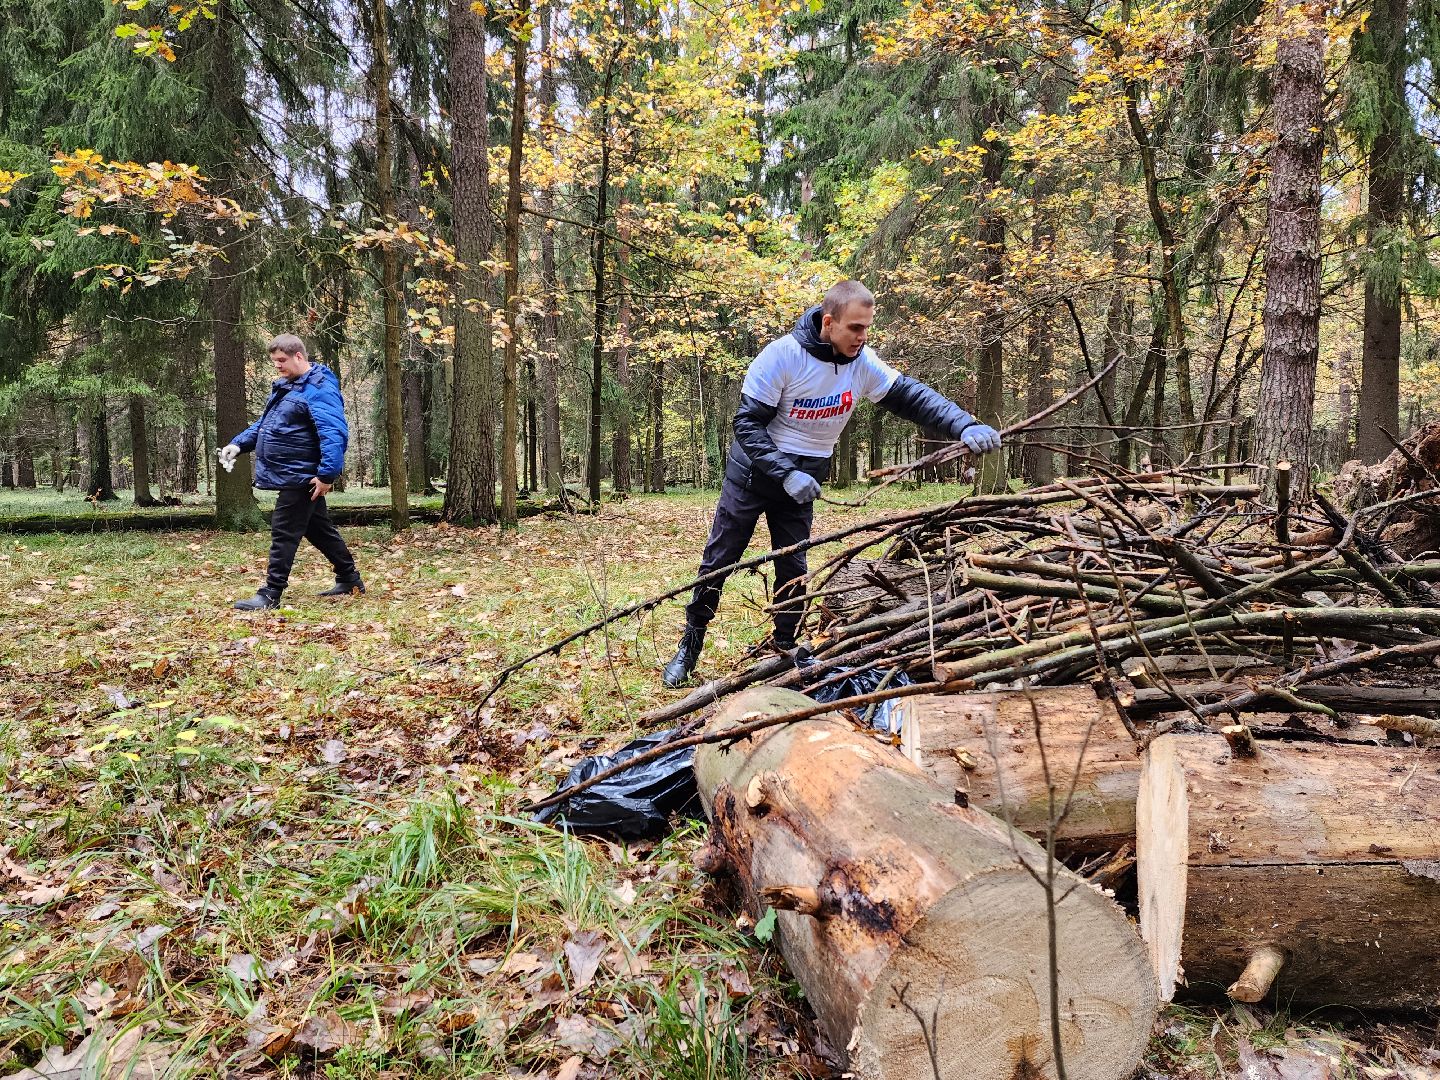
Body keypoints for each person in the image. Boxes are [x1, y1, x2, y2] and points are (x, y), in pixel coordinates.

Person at [662, 281, 1001, 687]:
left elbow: (912, 397)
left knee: (793, 566)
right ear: (829, 323)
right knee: (720, 560)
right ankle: (690, 645)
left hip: (804, 482)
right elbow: (747, 425)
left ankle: (785, 646)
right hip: (753, 475)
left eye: (867, 327)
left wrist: (963, 424)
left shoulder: (862, 363)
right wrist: (784, 472)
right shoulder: (782, 356)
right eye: (855, 328)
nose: (863, 336)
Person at [217, 333, 364, 611]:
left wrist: (327, 475)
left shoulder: (319, 389)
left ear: (298, 356)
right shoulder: (289, 387)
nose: (277, 366)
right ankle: (349, 579)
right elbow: (266, 425)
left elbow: (334, 433)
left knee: (283, 531)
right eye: (274, 361)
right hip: (292, 473)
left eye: (282, 360)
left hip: (302, 474)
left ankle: (271, 593)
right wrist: (237, 445)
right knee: (318, 529)